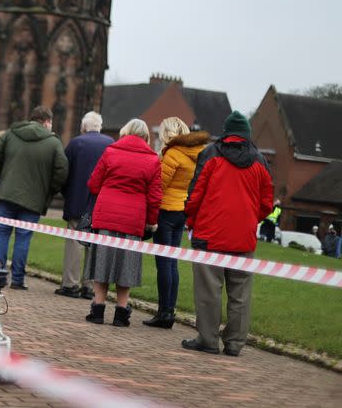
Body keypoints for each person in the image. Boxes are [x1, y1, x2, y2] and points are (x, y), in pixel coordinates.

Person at [181, 111, 273, 357]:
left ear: (225, 131)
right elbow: (267, 203)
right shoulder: (261, 161)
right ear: (246, 134)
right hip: (243, 238)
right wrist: (250, 220)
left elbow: (195, 195)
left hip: (209, 234)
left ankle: (208, 339)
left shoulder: (210, 154)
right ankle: (234, 344)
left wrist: (191, 220)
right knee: (240, 292)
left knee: (208, 290)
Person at [84, 118, 162, 327]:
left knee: (102, 262)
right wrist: (151, 222)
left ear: (125, 132)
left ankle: (98, 309)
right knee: (125, 266)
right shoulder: (153, 160)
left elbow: (93, 184)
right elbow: (155, 197)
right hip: (133, 219)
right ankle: (121, 313)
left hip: (107, 214)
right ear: (146, 136)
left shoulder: (110, 152)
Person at [0, 106, 68, 290]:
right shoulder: (53, 143)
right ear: (47, 122)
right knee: (23, 238)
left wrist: (4, 176)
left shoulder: (10, 134)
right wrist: (47, 190)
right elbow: (62, 172)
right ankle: (17, 280)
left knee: (0, 233)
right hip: (33, 200)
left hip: (6, 194)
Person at [143, 117, 210, 329]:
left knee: (164, 262)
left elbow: (159, 185)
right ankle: (169, 310)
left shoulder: (172, 154)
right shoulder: (197, 154)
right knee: (173, 262)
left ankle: (164, 312)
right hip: (183, 210)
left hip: (166, 210)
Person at [56, 111, 113, 300]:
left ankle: (70, 284)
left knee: (74, 243)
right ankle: (89, 286)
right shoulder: (111, 145)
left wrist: (66, 193)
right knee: (95, 244)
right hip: (102, 203)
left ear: (83, 127)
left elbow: (63, 171)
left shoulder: (76, 143)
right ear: (100, 126)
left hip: (77, 200)